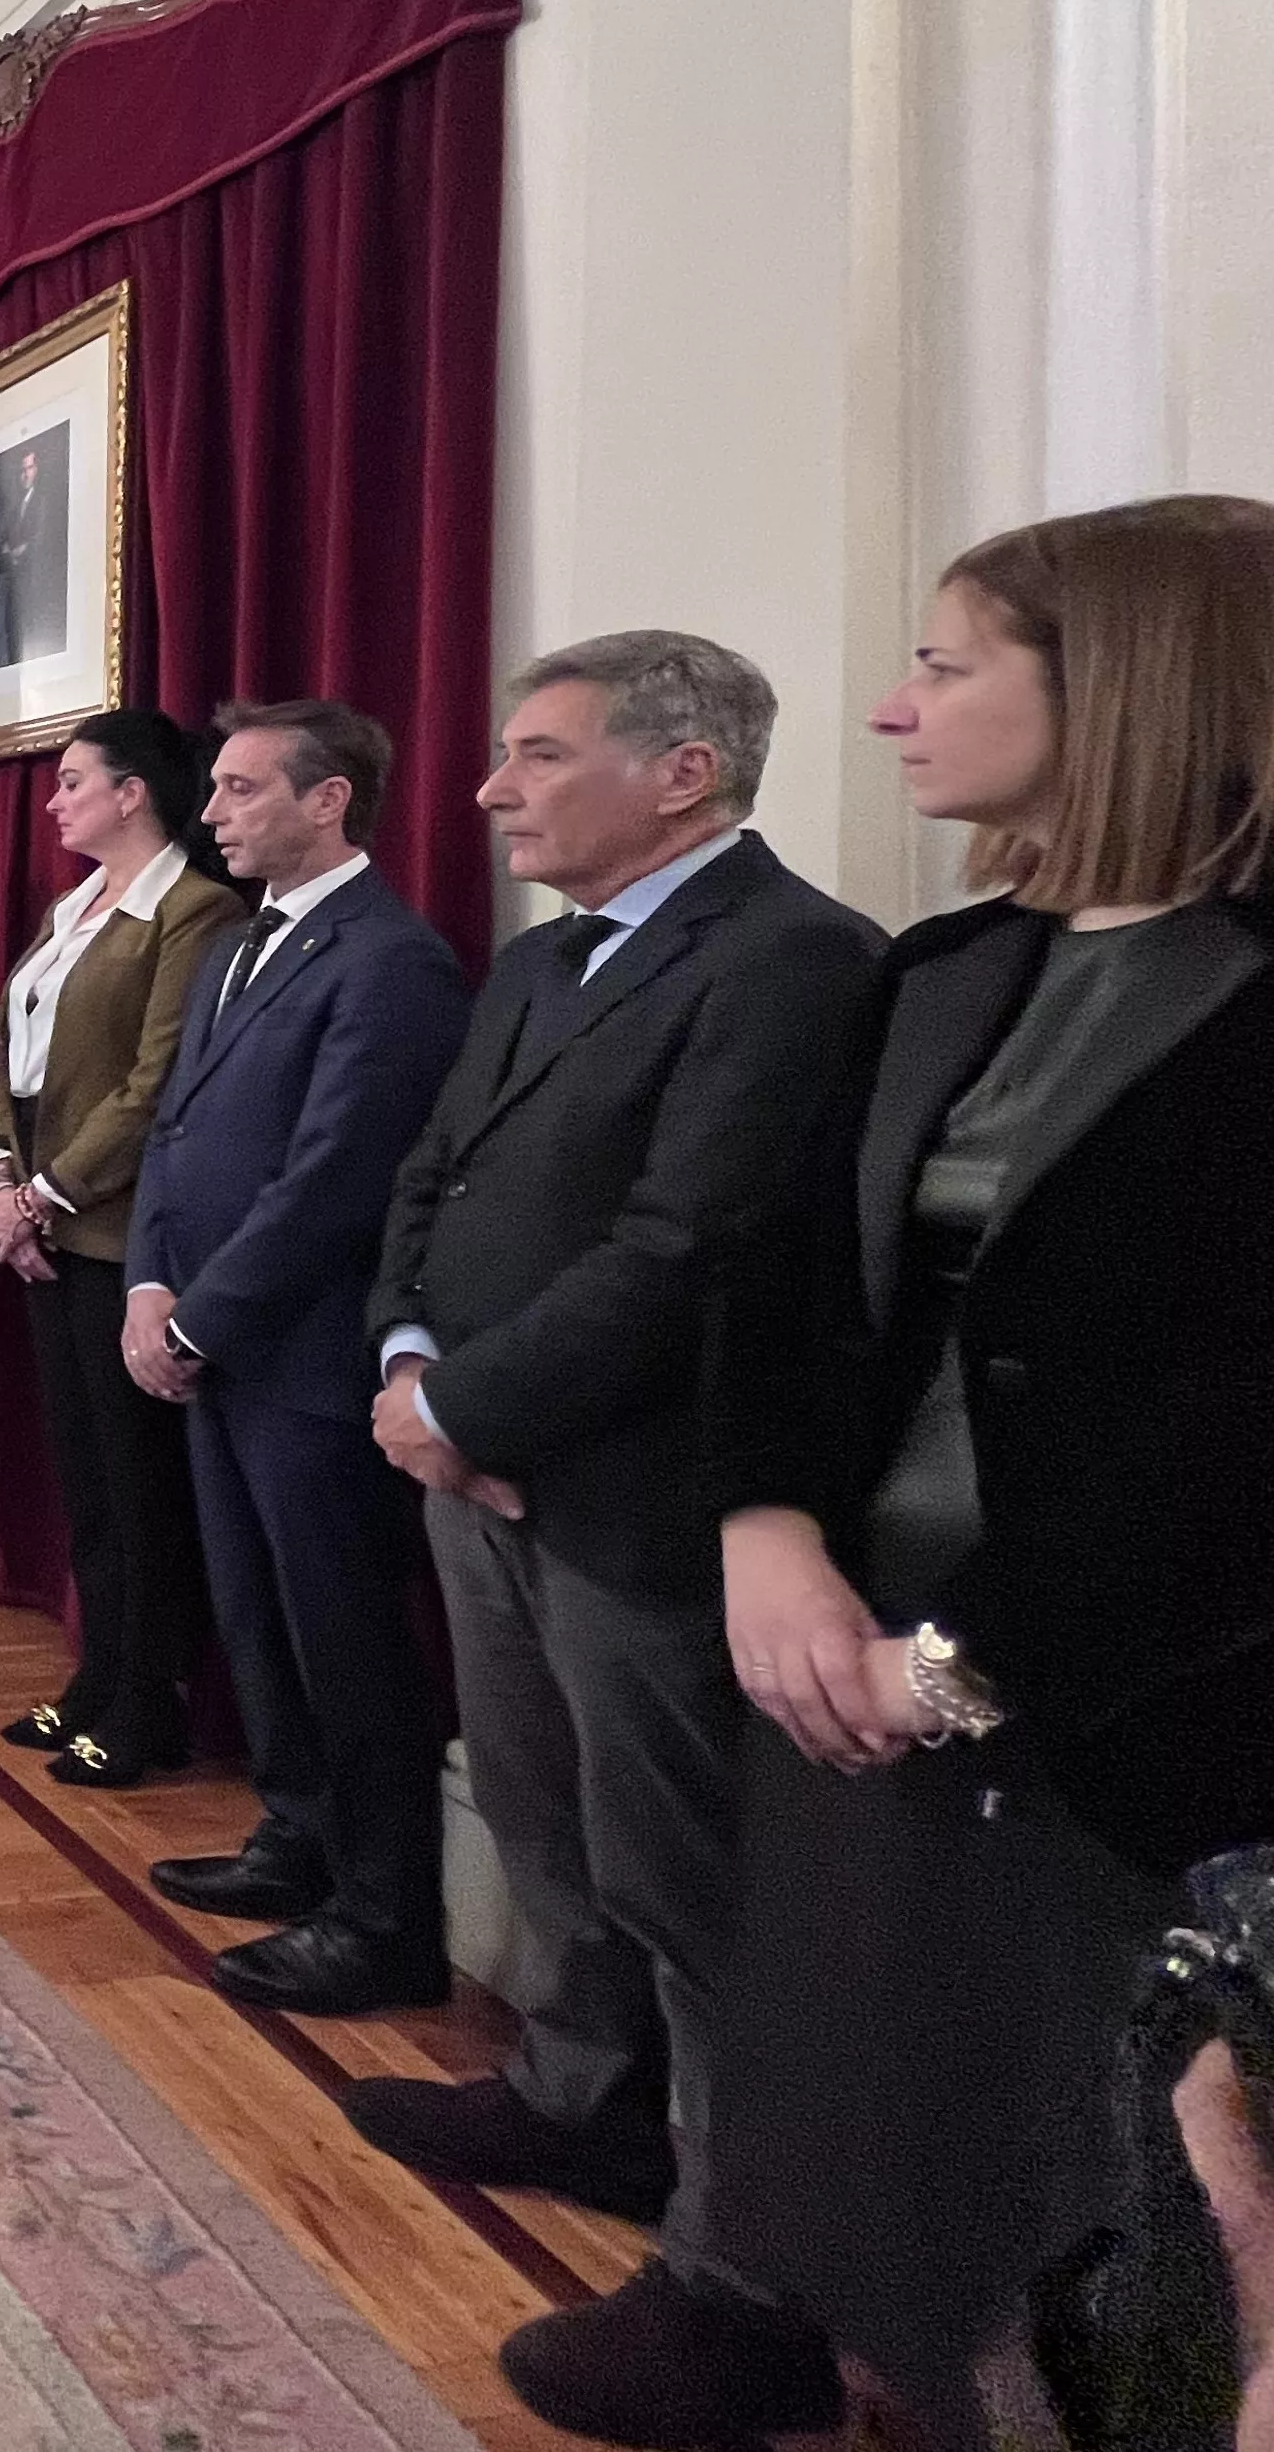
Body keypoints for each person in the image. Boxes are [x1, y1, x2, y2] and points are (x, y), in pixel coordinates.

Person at [484, 502, 1274, 2450]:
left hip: (1112, 1704)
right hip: (834, 1652)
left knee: (1099, 2211)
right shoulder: (937, 966)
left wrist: (967, 1653)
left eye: (939, 663)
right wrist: (763, 1534)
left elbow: (1231, 1425)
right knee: (874, 2143)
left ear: (1125, 686)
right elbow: (776, 1282)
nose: (886, 711)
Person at [336, 632, 886, 2416]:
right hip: (474, 1469)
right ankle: (577, 2095)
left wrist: (473, 1408)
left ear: (682, 770)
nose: (491, 787)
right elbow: (433, 1177)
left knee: (684, 1880)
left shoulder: (796, 959)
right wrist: (414, 1366)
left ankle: (740, 2270)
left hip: (639, 1498)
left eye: (535, 752)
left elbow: (694, 1241)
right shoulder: (543, 958)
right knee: (536, 1806)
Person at [122, 702, 471, 2013]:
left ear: (328, 802)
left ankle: (385, 1914)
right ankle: (297, 1832)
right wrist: (153, 1277)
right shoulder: (232, 945)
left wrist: (201, 1317)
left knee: (345, 1634)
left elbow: (339, 1178)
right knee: (258, 1616)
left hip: (311, 1362)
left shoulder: (392, 959)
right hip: (212, 1343)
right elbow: (178, 1125)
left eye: (237, 788)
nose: (209, 811)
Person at [0, 711, 245, 1785]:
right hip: (37, 1226)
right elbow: (11, 1059)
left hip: (121, 1236)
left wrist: (44, 1194)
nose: (54, 800)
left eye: (74, 781)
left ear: (133, 793)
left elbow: (157, 1078)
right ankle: (95, 1673)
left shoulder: (193, 908)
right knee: (84, 1476)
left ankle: (150, 1700)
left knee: (140, 1486)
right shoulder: (69, 907)